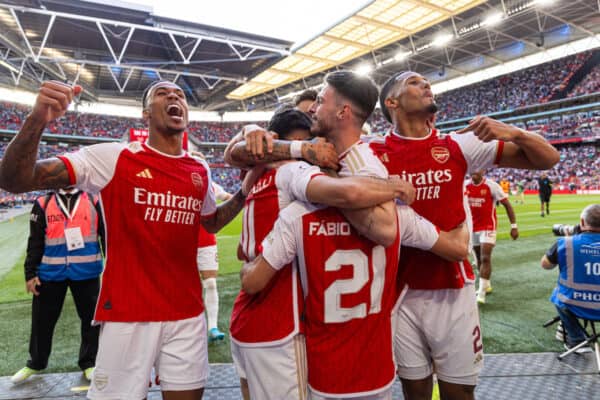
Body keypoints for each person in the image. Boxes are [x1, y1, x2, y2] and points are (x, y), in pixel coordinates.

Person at [0, 80, 258, 400]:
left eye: (180, 94)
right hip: (128, 315)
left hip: (187, 315)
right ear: (146, 114)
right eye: (163, 94)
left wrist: (245, 190)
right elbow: (14, 179)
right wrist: (38, 118)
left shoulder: (200, 169)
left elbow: (211, 221)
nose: (174, 96)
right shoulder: (113, 157)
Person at [373, 71, 559, 400]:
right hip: (398, 292)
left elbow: (549, 158)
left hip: (453, 289)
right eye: (414, 83)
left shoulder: (459, 144)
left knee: (458, 392)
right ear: (392, 102)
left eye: (426, 81)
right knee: (414, 391)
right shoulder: (370, 151)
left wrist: (514, 132)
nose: (426, 84)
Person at [227, 96, 415, 400]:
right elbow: (347, 194)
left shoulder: (255, 176)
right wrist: (395, 187)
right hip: (279, 325)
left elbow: (241, 255)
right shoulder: (292, 173)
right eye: (309, 143)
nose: (317, 151)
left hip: (245, 319)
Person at [11, 188, 104, 384]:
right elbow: (35, 241)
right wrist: (30, 274)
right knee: (41, 321)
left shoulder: (95, 201)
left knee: (91, 321)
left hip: (87, 271)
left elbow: (107, 238)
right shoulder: (43, 203)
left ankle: (89, 363)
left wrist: (113, 269)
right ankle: (35, 363)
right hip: (51, 272)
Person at [541, 204, 600, 353]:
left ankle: (576, 340)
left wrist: (570, 237)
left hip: (577, 305)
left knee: (559, 293)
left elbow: (545, 265)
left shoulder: (566, 243)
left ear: (581, 222)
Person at [466, 170, 519, 304]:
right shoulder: (465, 186)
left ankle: (481, 293)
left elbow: (507, 205)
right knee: (477, 259)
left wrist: (513, 226)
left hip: (488, 227)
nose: (474, 172)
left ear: (483, 171)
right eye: (472, 169)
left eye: (477, 169)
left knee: (485, 257)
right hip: (472, 228)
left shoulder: (492, 186)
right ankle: (486, 285)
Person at [198, 182, 233, 342]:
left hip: (206, 239)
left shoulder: (210, 184)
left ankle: (213, 327)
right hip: (182, 238)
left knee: (211, 283)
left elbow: (226, 197)